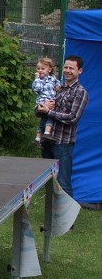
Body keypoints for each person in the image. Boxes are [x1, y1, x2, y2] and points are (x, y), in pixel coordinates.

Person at [38, 55, 88, 198]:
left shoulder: (80, 92)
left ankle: (67, 222)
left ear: (80, 71)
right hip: (47, 141)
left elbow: (72, 117)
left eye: (71, 68)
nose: (67, 70)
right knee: (49, 183)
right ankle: (51, 220)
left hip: (63, 144)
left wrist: (50, 112)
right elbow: (41, 110)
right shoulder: (56, 88)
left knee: (63, 184)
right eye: (65, 67)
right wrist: (41, 109)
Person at [32, 57, 60, 146]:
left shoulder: (52, 78)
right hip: (42, 103)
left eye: (43, 69)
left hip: (51, 102)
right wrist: (37, 78)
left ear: (49, 70)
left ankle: (38, 138)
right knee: (50, 117)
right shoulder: (38, 80)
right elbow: (37, 89)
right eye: (38, 68)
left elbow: (58, 82)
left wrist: (58, 86)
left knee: (44, 120)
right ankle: (47, 133)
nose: (40, 70)